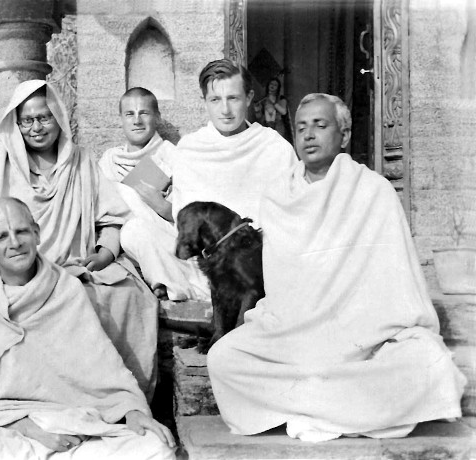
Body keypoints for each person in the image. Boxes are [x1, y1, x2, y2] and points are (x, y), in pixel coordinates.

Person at [207, 93, 466, 442]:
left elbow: (397, 288)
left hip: (363, 337)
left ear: (343, 136)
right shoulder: (278, 197)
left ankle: (306, 405)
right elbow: (282, 289)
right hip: (293, 339)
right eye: (301, 127)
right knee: (223, 359)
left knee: (427, 362)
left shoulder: (374, 191)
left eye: (320, 125)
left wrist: (356, 329)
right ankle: (344, 407)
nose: (309, 134)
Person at [0, 197, 176, 460]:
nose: (15, 243)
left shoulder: (66, 290)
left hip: (68, 426)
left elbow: (103, 368)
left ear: (36, 233)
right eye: (1, 237)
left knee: (153, 448)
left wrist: (133, 411)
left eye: (22, 231)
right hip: (2, 430)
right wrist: (25, 427)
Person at [0, 80, 158, 401]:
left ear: (59, 118)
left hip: (76, 267)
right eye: (27, 120)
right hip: (17, 275)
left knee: (129, 298)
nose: (36, 128)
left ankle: (116, 399)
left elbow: (112, 219)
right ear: (16, 123)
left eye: (45, 118)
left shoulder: (81, 161)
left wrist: (104, 254)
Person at [120, 59, 297, 301]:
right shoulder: (191, 147)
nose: (225, 110)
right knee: (133, 230)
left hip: (252, 265)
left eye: (233, 98)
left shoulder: (274, 147)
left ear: (249, 97)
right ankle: (191, 289)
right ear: (205, 101)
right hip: (200, 264)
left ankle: (187, 291)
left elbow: (288, 221)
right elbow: (182, 223)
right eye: (215, 100)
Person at [98, 87, 176, 223]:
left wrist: (162, 206)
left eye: (144, 113)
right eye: (129, 114)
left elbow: (191, 214)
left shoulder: (172, 156)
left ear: (157, 117)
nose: (137, 121)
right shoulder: (110, 160)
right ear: (121, 118)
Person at [253, 76, 293, 144]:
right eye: (271, 84)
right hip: (265, 126)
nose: (272, 86)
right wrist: (257, 110)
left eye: (275, 85)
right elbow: (259, 117)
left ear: (278, 88)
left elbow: (283, 112)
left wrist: (273, 103)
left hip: (278, 127)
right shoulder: (263, 100)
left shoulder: (281, 99)